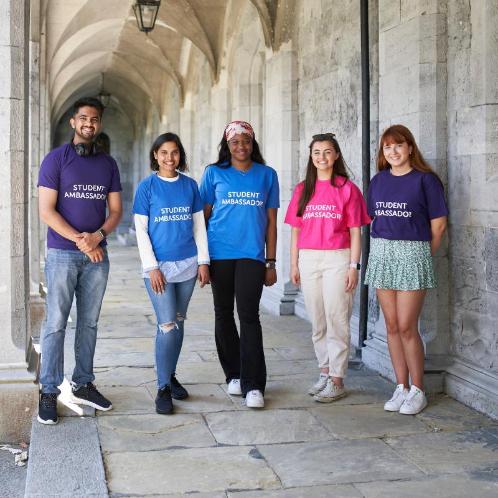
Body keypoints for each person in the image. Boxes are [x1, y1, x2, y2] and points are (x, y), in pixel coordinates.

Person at [37, 97, 123, 424]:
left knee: (89, 322)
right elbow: (46, 210)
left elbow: (115, 211)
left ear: (99, 124)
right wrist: (81, 240)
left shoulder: (108, 165)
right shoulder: (55, 160)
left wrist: (97, 237)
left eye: (95, 119)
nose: (89, 123)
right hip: (62, 254)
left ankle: (84, 382)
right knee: (56, 322)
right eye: (84, 118)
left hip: (96, 256)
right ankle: (49, 391)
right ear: (74, 122)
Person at [365, 124, 448, 415]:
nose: (393, 151)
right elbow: (373, 219)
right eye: (387, 147)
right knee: (389, 326)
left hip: (413, 253)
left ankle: (418, 390)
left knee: (406, 326)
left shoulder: (426, 181)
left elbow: (438, 226)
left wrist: (422, 255)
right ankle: (400, 387)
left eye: (398, 145)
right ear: (383, 152)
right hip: (383, 252)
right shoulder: (378, 181)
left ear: (410, 147)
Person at [199, 121, 279, 409]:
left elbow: (271, 222)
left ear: (253, 143)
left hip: (252, 255)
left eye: (246, 141)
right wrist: (202, 260)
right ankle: (233, 374)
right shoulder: (213, 173)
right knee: (223, 314)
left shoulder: (267, 175)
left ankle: (254, 384)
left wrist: (271, 261)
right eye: (235, 142)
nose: (241, 146)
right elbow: (202, 219)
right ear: (227, 145)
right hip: (219, 253)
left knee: (249, 315)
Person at [285, 133, 370, 402]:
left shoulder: (347, 189)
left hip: (338, 257)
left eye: (327, 152)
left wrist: (354, 266)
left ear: (336, 156)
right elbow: (296, 232)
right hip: (309, 259)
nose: (322, 157)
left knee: (337, 318)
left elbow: (357, 232)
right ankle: (324, 372)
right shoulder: (303, 189)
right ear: (311, 157)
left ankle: (337, 379)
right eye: (317, 153)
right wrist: (294, 264)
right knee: (318, 320)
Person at [133, 133, 210, 415]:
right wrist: (152, 267)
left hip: (188, 264)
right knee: (166, 325)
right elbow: (141, 230)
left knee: (178, 321)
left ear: (180, 155)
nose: (169, 158)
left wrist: (204, 262)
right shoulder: (147, 187)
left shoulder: (190, 186)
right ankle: (162, 387)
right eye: (163, 152)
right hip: (159, 268)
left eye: (174, 152)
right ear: (155, 155)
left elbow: (199, 227)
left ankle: (171, 373)